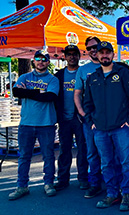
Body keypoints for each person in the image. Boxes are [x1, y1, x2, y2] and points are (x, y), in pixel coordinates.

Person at [84, 41, 129, 211]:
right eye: (101, 53)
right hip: (100, 129)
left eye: (108, 52)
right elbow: (87, 103)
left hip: (121, 127)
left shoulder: (123, 73)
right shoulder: (92, 77)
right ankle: (112, 194)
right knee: (106, 163)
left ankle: (127, 194)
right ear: (97, 55)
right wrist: (91, 122)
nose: (104, 55)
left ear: (113, 54)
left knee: (126, 162)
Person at [9, 50, 59, 200]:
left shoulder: (53, 79)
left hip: (46, 124)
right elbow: (17, 92)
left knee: (48, 156)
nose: (41, 62)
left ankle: (48, 183)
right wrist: (39, 91)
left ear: (48, 62)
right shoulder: (25, 76)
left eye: (44, 59)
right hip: (26, 124)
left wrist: (29, 92)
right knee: (24, 156)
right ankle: (22, 186)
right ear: (33, 61)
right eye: (38, 59)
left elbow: (50, 96)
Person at [54, 45, 89, 191]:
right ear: (65, 57)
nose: (72, 57)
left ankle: (82, 179)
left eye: (75, 54)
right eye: (69, 54)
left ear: (79, 56)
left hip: (79, 118)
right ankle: (63, 179)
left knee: (82, 149)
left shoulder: (82, 73)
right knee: (64, 150)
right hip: (64, 119)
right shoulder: (59, 75)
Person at [74, 36, 103, 199]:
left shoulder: (110, 65)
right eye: (90, 48)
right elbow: (77, 94)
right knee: (91, 152)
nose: (93, 50)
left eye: (96, 47)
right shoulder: (83, 70)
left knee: (109, 152)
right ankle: (95, 184)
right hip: (90, 119)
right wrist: (82, 113)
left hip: (109, 119)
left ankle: (113, 183)